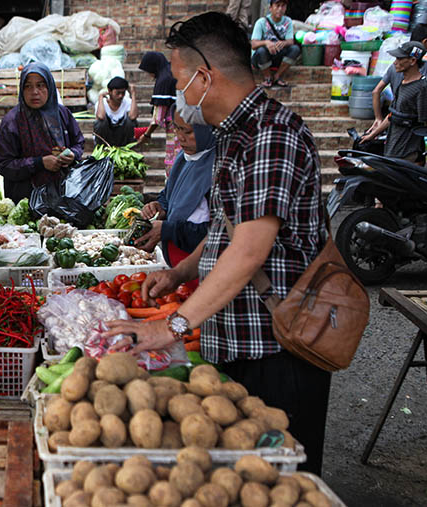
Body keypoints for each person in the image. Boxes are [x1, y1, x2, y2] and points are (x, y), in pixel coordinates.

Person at [104, 12, 330, 475]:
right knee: (238, 474)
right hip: (237, 342)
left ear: (205, 77)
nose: (179, 94)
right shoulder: (234, 136)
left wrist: (172, 326)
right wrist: (181, 273)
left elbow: (249, 250)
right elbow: (226, 230)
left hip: (278, 347)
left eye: (182, 80)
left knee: (279, 478)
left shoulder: (271, 135)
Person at [135, 108, 213, 291]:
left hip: (202, 276)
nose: (180, 137)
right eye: (177, 129)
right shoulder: (184, 158)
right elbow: (169, 194)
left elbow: (218, 235)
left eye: (188, 131)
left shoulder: (219, 169)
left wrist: (167, 230)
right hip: (177, 275)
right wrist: (160, 206)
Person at [0, 62, 85, 202]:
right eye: (28, 86)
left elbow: (78, 142)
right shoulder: (12, 121)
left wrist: (73, 155)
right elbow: (3, 164)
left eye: (40, 85)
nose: (34, 92)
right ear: (22, 90)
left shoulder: (62, 114)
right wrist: (39, 163)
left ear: (49, 87)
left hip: (63, 195)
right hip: (26, 199)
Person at [360, 42, 427, 163]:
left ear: (413, 61)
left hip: (409, 152)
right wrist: (372, 135)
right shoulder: (402, 84)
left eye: (400, 59)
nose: (395, 62)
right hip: (392, 148)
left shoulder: (423, 88)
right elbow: (392, 116)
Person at [371, 23, 427, 137]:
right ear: (426, 41)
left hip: (395, 120)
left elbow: (376, 91)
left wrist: (378, 119)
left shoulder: (395, 67)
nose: (396, 62)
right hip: (410, 127)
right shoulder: (418, 70)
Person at [138, 52, 180, 175]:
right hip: (184, 120)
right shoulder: (172, 72)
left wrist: (146, 135)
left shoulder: (163, 81)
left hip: (176, 125)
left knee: (174, 158)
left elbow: (158, 118)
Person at [250, 0, 301, 88]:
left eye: (283, 6)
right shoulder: (261, 22)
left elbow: (290, 41)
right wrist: (266, 42)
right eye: (277, 6)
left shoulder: (288, 21)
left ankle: (277, 76)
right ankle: (268, 77)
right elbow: (253, 44)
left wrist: (284, 43)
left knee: (295, 49)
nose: (280, 9)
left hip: (277, 56)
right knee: (262, 51)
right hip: (261, 58)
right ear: (270, 8)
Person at [94, 76, 138, 147]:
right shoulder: (102, 103)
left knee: (131, 122)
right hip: (107, 137)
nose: (120, 96)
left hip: (122, 137)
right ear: (109, 91)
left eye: (123, 93)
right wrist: (100, 97)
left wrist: (133, 94)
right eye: (117, 93)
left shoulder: (127, 102)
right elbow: (100, 116)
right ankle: (101, 147)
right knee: (100, 123)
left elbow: (133, 117)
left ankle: (128, 147)